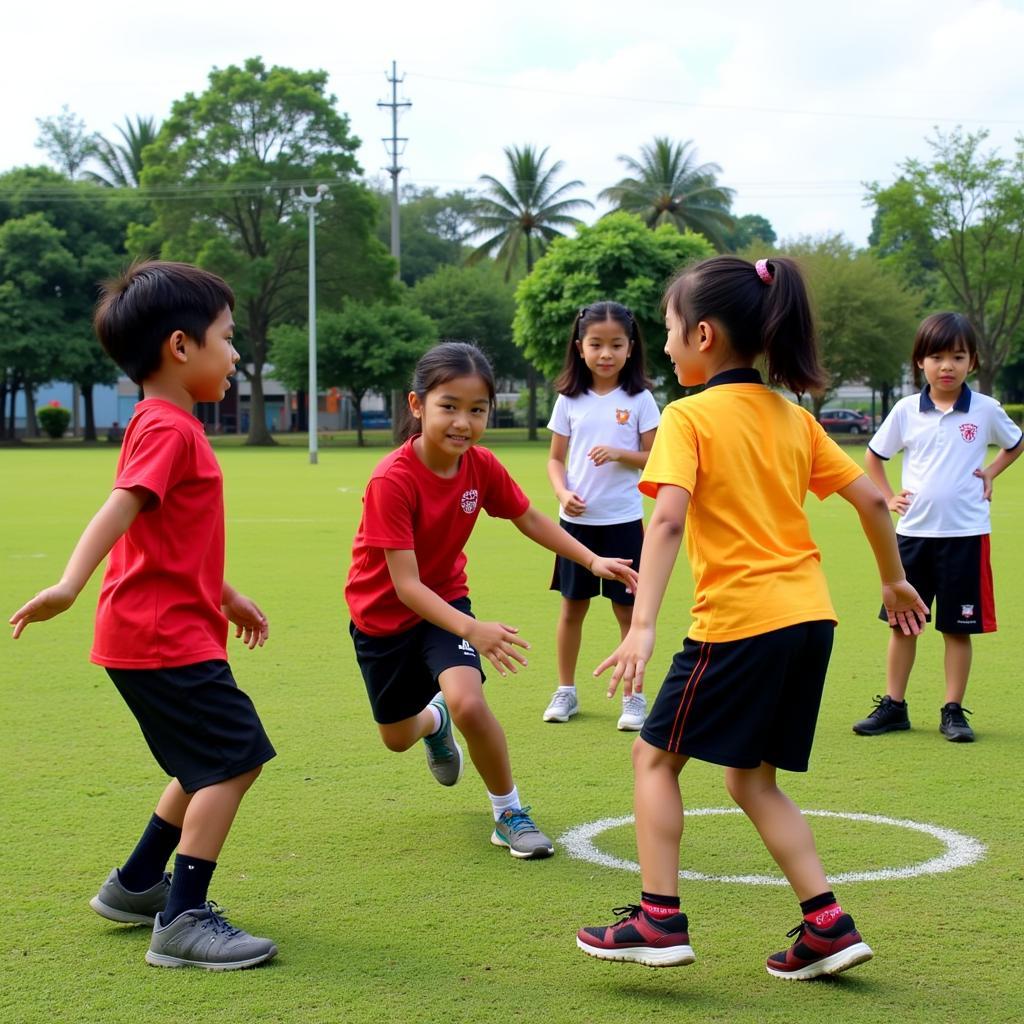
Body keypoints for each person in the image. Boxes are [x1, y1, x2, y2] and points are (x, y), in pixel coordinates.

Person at [575, 256, 928, 979]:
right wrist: (892, 580)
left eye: (669, 332)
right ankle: (827, 925)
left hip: (739, 622)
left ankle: (658, 919)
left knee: (653, 758)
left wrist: (640, 626)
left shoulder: (688, 416)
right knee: (751, 780)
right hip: (809, 621)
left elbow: (667, 523)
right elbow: (868, 500)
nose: (664, 348)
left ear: (703, 335)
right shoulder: (793, 417)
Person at [9, 261, 278, 971]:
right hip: (162, 639)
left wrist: (226, 593)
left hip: (158, 631)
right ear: (181, 347)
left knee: (202, 763)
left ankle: (135, 886)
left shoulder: (160, 423)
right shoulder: (170, 430)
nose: (237, 353)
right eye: (227, 337)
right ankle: (183, 918)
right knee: (236, 758)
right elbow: (121, 507)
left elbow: (169, 538)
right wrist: (70, 583)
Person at [344, 342, 639, 859]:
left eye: (477, 410)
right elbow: (406, 586)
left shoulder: (480, 466)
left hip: (446, 604)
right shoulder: (391, 480)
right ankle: (433, 725)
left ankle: (508, 813)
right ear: (417, 406)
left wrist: (592, 560)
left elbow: (529, 517)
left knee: (468, 701)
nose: (463, 422)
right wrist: (471, 630)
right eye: (449, 407)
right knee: (396, 736)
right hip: (383, 618)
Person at [852, 312, 1022, 743]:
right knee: (902, 623)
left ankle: (952, 711)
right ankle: (894, 706)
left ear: (973, 362)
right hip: (911, 537)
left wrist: (990, 472)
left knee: (957, 628)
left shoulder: (985, 410)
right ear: (920, 363)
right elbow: (874, 456)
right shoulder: (907, 411)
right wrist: (888, 496)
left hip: (965, 537)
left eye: (958, 356)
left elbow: (1015, 443)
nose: (947, 365)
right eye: (937, 356)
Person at [543, 302, 660, 731]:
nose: (605, 353)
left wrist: (620, 454)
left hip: (624, 524)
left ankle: (634, 698)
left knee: (628, 614)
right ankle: (566, 691)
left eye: (615, 344)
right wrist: (562, 491)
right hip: (575, 527)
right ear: (579, 347)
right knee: (572, 609)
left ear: (631, 349)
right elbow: (556, 460)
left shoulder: (641, 399)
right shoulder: (569, 399)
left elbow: (655, 458)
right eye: (596, 344)